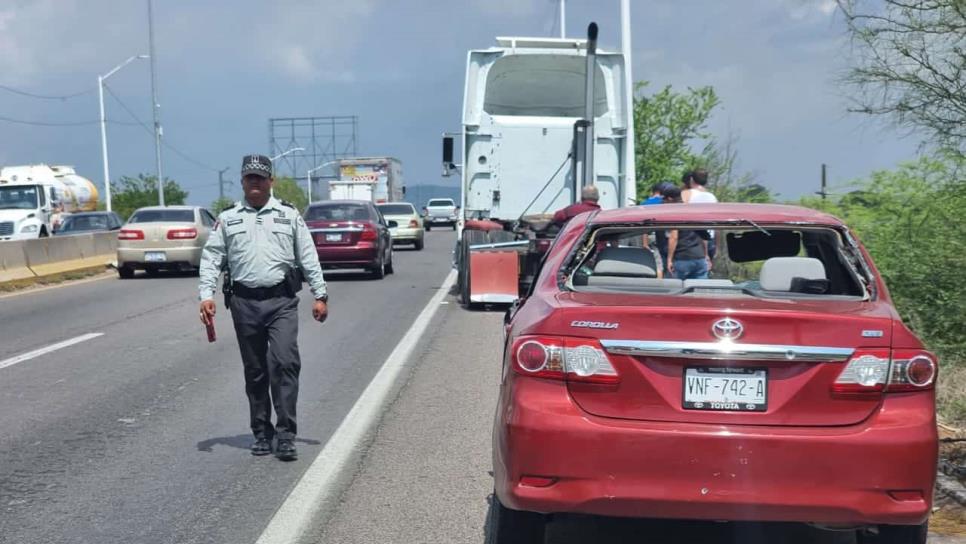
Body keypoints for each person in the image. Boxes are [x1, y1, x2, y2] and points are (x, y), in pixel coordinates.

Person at [198, 154, 328, 461]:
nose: (254, 182)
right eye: (249, 178)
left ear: (271, 181)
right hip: (244, 303)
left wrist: (320, 294)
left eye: (260, 177)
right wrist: (206, 295)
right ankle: (261, 432)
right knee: (255, 371)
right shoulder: (228, 218)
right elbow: (212, 257)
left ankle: (285, 434)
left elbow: (307, 254)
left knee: (284, 363)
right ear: (242, 182)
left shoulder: (288, 215)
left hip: (281, 301)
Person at [663, 186, 711, 280]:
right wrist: (706, 255)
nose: (663, 203)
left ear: (669, 199)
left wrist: (669, 259)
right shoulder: (693, 211)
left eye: (664, 200)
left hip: (682, 258)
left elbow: (674, 237)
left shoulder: (674, 213)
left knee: (675, 291)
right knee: (699, 291)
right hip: (699, 258)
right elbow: (704, 236)